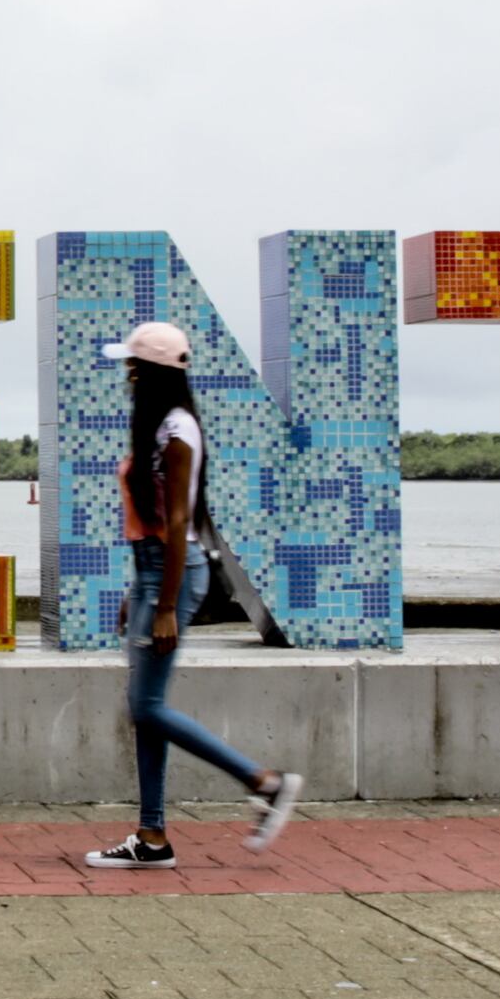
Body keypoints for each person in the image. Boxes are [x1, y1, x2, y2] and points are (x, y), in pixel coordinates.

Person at [82, 319, 305, 869]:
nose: (127, 374)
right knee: (147, 708)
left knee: (147, 706)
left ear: (152, 369)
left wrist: (162, 606)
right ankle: (151, 838)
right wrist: (138, 591)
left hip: (170, 575)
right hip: (152, 571)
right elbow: (154, 520)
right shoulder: (161, 424)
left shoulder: (178, 432)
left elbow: (180, 522)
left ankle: (264, 781)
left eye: (132, 364)